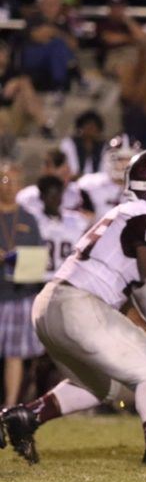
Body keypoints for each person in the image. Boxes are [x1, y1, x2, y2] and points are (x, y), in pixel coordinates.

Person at [0, 149, 146, 465]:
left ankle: (26, 416)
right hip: (79, 305)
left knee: (102, 387)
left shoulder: (123, 213)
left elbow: (127, 293)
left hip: (51, 305)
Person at [0, 164, 44, 409]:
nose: (9, 186)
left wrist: (19, 259)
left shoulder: (28, 218)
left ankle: (8, 405)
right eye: (4, 180)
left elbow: (39, 257)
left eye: (14, 181)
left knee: (14, 355)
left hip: (19, 294)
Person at [77, 134, 138, 219]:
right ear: (109, 159)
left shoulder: (143, 188)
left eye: (129, 159)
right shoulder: (89, 184)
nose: (125, 165)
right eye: (120, 159)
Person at [16, 149, 82, 215]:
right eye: (62, 174)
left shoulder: (79, 193)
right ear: (46, 170)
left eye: (67, 172)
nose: (66, 177)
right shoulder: (27, 197)